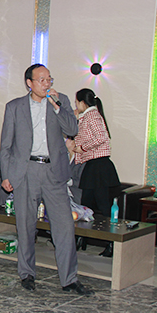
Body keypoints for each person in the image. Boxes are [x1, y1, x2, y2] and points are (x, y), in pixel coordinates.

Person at [0, 63, 92, 296]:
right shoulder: (14, 107)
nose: (47, 83)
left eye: (49, 79)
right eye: (41, 80)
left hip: (53, 172)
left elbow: (72, 129)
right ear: (29, 83)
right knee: (26, 226)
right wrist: (6, 175)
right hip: (26, 171)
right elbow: (6, 145)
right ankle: (27, 274)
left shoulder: (61, 102)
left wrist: (58, 107)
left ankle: (69, 279)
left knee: (64, 227)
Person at [67, 88, 120, 220]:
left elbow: (101, 137)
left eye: (76, 103)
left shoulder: (92, 115)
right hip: (93, 165)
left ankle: (107, 228)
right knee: (88, 201)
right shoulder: (87, 116)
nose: (76, 106)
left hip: (98, 165)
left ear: (82, 103)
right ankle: (86, 231)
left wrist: (83, 148)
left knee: (100, 202)